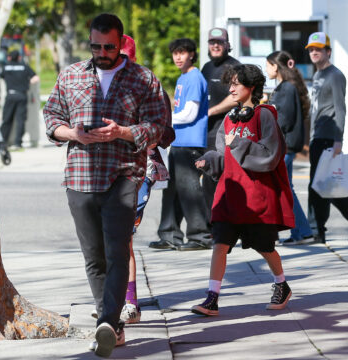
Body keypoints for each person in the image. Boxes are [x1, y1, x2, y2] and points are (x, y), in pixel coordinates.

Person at [42, 14, 168, 358]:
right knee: (93, 257)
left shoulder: (143, 79)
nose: (101, 52)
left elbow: (158, 125)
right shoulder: (70, 75)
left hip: (123, 175)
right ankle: (111, 324)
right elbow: (51, 116)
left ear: (120, 42)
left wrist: (123, 132)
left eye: (108, 46)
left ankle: (110, 323)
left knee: (116, 253)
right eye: (95, 45)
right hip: (80, 176)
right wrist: (73, 133)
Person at [190, 64, 295, 316]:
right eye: (230, 83)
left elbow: (271, 155)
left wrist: (237, 143)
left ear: (252, 87)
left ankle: (282, 284)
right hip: (229, 194)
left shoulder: (264, 116)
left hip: (255, 196)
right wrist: (209, 161)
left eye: (237, 83)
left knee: (265, 247)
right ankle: (212, 298)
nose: (231, 88)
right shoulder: (228, 119)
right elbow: (223, 155)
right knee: (219, 245)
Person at [118, 35, 175, 324]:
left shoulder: (149, 87)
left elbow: (167, 133)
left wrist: (146, 135)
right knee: (107, 241)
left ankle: (129, 303)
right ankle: (113, 300)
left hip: (138, 172)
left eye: (122, 59)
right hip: (104, 171)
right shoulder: (99, 85)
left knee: (123, 239)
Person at [305, 32, 348, 243]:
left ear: (328, 51)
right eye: (311, 49)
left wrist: (338, 140)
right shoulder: (317, 75)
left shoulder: (335, 75)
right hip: (317, 136)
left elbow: (340, 109)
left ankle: (320, 230)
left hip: (328, 136)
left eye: (318, 49)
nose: (314, 52)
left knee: (318, 185)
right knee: (322, 185)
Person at [150, 38, 212, 251]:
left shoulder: (195, 78)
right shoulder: (183, 77)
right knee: (172, 189)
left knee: (189, 190)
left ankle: (200, 236)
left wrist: (164, 121)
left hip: (191, 142)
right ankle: (169, 234)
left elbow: (190, 113)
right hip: (179, 141)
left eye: (182, 53)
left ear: (192, 55)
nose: (178, 57)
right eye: (175, 53)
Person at [266, 50, 314, 245]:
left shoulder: (286, 88)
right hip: (286, 146)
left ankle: (301, 231)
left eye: (268, 65)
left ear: (276, 67)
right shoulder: (285, 87)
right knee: (287, 189)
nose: (266, 69)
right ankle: (303, 232)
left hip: (284, 146)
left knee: (283, 190)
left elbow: (282, 120)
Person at [201, 27, 241, 217]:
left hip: (224, 133)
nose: (215, 45)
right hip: (204, 132)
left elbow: (236, 97)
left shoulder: (234, 67)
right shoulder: (207, 67)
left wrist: (211, 111)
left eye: (219, 42)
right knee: (207, 182)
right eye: (212, 42)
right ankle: (212, 226)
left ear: (227, 44)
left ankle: (226, 224)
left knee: (221, 181)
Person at [0, 50, 39, 152]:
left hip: (10, 95)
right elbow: (36, 78)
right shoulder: (24, 66)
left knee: (7, 120)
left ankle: (3, 142)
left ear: (9, 58)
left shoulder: (6, 67)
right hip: (21, 95)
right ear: (19, 57)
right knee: (20, 120)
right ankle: (18, 143)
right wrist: (27, 82)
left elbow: (1, 77)